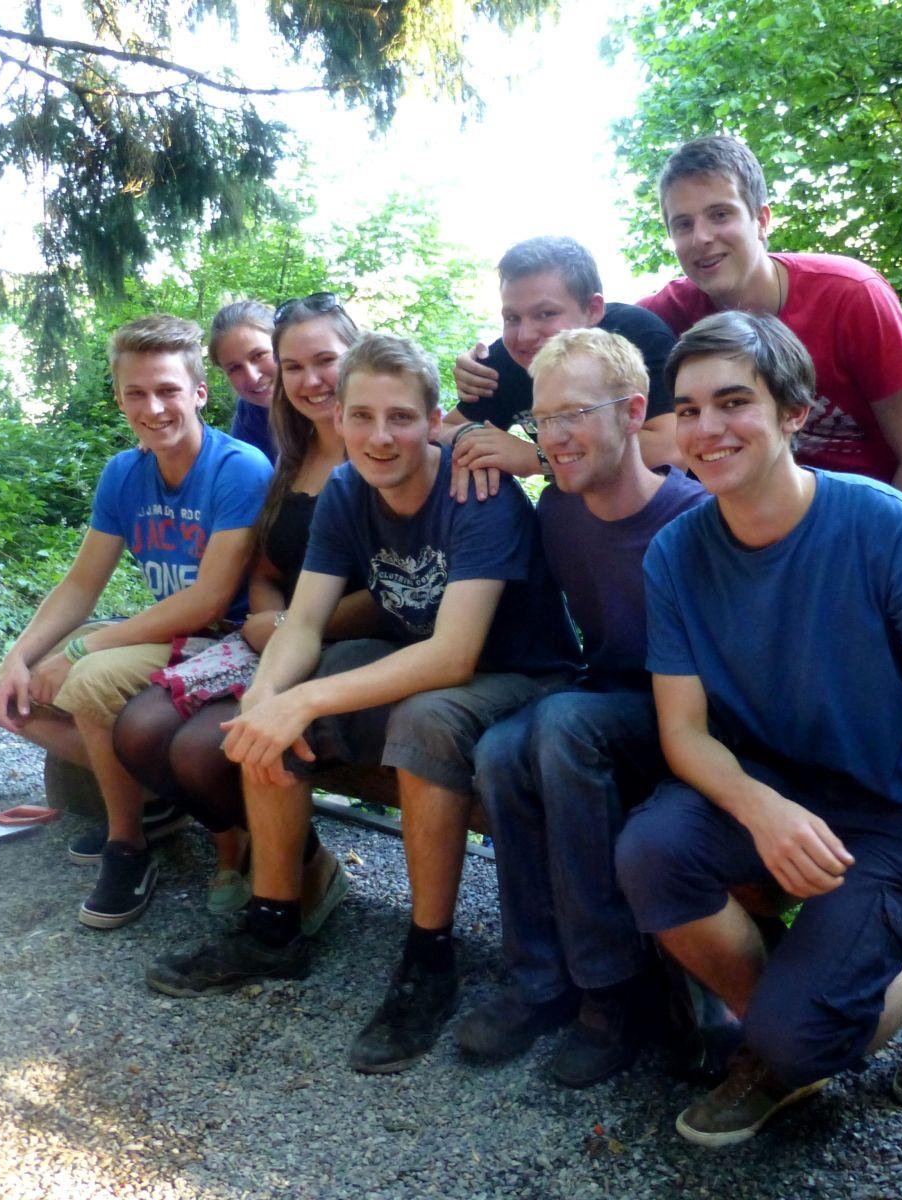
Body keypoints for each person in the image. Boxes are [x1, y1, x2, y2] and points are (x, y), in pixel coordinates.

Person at [640, 136, 902, 1106]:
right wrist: (489, 377)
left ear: (762, 217)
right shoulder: (682, 318)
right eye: (682, 221)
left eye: (719, 214)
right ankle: (809, 1004)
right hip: (784, 510)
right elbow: (584, 341)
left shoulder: (846, 294)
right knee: (696, 855)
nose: (700, 235)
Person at [146, 333, 581, 1079]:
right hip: (420, 661)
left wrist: (305, 696)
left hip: (522, 674)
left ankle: (429, 957)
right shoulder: (348, 490)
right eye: (363, 417)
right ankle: (274, 926)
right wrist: (265, 697)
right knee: (280, 699)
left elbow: (454, 656)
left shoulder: (477, 495)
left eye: (401, 417)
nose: (381, 437)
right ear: (340, 420)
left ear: (434, 420)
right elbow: (304, 623)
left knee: (425, 719)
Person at [614, 311, 902, 1146]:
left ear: (794, 413)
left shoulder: (891, 528)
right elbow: (685, 734)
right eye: (689, 409)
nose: (708, 428)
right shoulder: (675, 553)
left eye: (734, 402)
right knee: (650, 852)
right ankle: (788, 1026)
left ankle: (821, 1025)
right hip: (773, 787)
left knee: (801, 1041)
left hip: (890, 814)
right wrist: (762, 808)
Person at [455, 328, 706, 1088]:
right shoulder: (559, 515)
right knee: (500, 748)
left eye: (574, 415)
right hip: (609, 695)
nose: (554, 437)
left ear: (633, 412)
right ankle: (540, 979)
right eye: (542, 420)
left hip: (690, 719)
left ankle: (611, 989)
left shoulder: (692, 518)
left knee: (566, 727)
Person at [0, 314, 272, 929]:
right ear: (119, 399)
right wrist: (17, 658)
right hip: (169, 635)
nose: (153, 408)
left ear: (199, 392)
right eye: (136, 393)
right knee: (5, 693)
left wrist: (83, 650)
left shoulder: (238, 468)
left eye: (168, 390)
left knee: (90, 680)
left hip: (228, 641)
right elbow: (81, 584)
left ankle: (127, 845)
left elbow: (209, 601)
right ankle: (156, 795)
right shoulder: (124, 473)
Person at [113, 296, 372, 918]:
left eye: (324, 362)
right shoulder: (293, 453)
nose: (309, 380)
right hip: (273, 636)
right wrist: (265, 618)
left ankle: (297, 872)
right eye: (294, 366)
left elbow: (395, 587)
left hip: (347, 643)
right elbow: (267, 566)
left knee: (201, 749)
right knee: (139, 730)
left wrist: (284, 625)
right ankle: (282, 851)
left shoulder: (381, 447)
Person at [443, 236, 681, 500]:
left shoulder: (637, 335)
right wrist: (472, 439)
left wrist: (535, 458)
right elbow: (440, 430)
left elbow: (672, 449)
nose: (524, 335)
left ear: (593, 310)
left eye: (545, 314)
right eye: (512, 318)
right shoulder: (504, 363)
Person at [210, 300, 279, 461]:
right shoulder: (249, 415)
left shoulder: (325, 398)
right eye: (235, 368)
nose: (252, 377)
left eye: (259, 355)